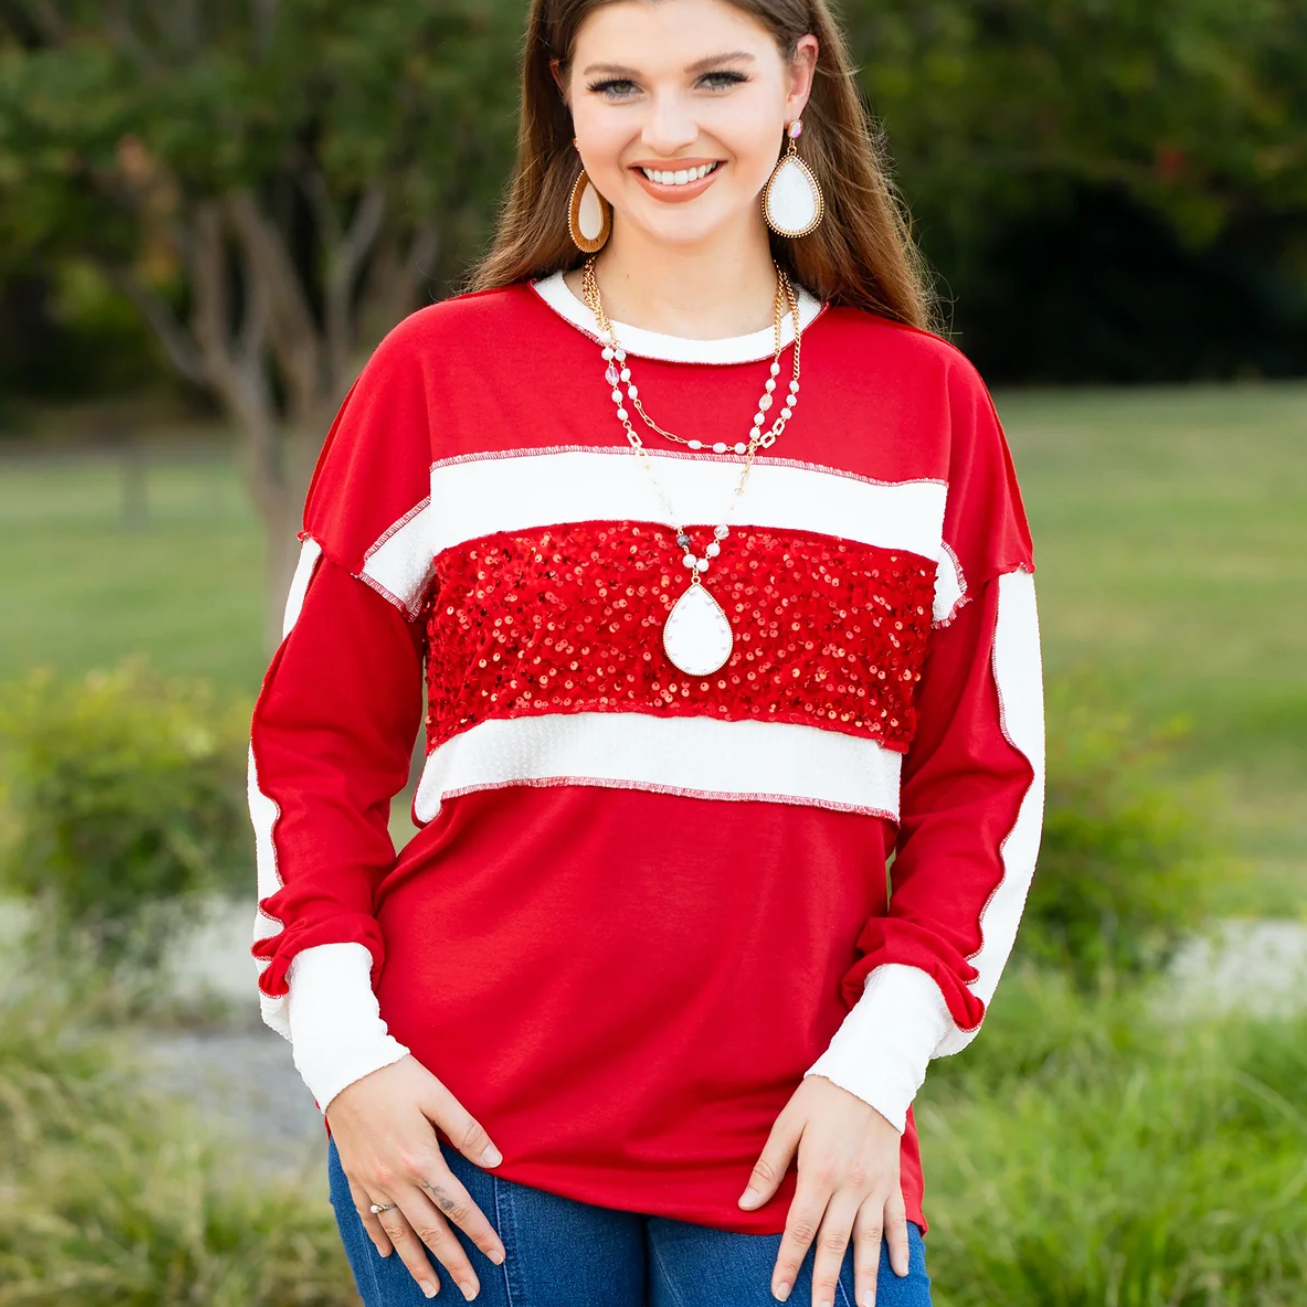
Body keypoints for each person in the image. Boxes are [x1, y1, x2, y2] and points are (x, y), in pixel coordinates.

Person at [246, 1, 1044, 1305]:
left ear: (798, 81)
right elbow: (312, 748)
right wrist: (348, 1058)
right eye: (618, 85)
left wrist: (875, 1071)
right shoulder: (436, 375)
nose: (665, 130)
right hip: (467, 1133)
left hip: (801, 1130)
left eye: (715, 78)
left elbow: (983, 781)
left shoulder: (926, 403)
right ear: (562, 95)